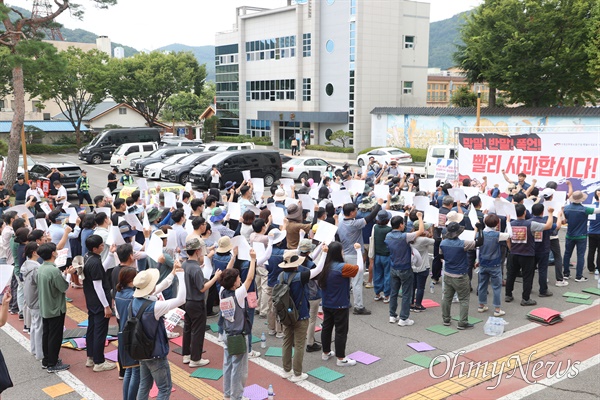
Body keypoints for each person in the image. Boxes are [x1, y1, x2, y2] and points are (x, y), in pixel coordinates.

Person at [131, 261, 186, 399]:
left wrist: (173, 272)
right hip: (155, 353)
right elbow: (181, 299)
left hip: (142, 350)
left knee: (144, 385)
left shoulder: (134, 301)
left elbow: (161, 286)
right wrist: (181, 276)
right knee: (164, 388)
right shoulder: (154, 307)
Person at [278, 248, 325, 382]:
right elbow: (318, 269)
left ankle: (286, 370)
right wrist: (325, 252)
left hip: (286, 315)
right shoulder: (299, 277)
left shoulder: (280, 276)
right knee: (299, 344)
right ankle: (297, 373)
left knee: (287, 341)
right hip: (300, 314)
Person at [218, 247, 256, 400]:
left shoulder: (222, 291)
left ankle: (227, 394)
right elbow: (250, 278)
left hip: (227, 333)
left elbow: (224, 275)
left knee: (227, 365)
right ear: (234, 283)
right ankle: (236, 396)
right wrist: (253, 259)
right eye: (238, 278)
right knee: (238, 369)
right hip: (239, 337)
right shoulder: (239, 294)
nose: (240, 279)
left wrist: (233, 257)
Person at [318, 242, 363, 366]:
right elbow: (360, 269)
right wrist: (358, 251)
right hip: (340, 304)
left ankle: (326, 352)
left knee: (326, 328)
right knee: (341, 331)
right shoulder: (343, 267)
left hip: (326, 303)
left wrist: (323, 252)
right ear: (338, 253)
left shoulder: (324, 266)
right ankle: (341, 358)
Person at [337, 200, 382, 315]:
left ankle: (345, 302)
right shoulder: (354, 224)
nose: (357, 212)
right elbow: (370, 217)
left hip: (345, 254)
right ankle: (359, 306)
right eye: (355, 210)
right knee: (356, 282)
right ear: (351, 213)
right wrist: (379, 205)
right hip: (354, 256)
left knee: (346, 281)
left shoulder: (341, 222)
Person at [182, 237, 221, 368]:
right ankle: (195, 358)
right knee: (197, 331)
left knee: (187, 328)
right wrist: (215, 277)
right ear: (198, 250)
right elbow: (202, 288)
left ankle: (186, 355)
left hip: (186, 301)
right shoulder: (196, 269)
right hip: (197, 302)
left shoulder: (185, 264)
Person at [505, 204, 555, 306]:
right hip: (527, 254)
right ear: (524, 213)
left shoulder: (510, 224)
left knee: (511, 275)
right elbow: (548, 226)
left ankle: (508, 294)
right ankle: (525, 298)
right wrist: (550, 213)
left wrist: (511, 249)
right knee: (527, 277)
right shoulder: (530, 224)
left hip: (514, 253)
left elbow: (507, 239)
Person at [440, 221, 484, 329]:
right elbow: (480, 242)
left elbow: (441, 256)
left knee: (447, 298)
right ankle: (462, 322)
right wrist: (480, 229)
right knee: (464, 299)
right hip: (460, 275)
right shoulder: (463, 244)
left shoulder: (443, 243)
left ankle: (446, 319)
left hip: (448, 274)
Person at [37, 242, 74, 372]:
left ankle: (47, 360)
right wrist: (68, 274)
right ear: (53, 253)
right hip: (55, 308)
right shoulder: (53, 270)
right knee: (55, 336)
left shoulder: (41, 268)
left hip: (45, 306)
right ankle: (52, 363)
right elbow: (63, 287)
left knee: (46, 334)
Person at [83, 234, 116, 372]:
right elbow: (98, 286)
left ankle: (90, 357)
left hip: (91, 300)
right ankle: (99, 362)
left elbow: (101, 270)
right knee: (100, 332)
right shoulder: (95, 262)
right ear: (95, 248)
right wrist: (106, 306)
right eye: (101, 245)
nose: (104, 247)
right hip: (99, 301)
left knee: (92, 329)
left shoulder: (88, 257)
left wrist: (111, 255)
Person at [385, 213, 424, 326]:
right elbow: (421, 230)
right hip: (405, 268)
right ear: (401, 225)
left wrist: (406, 217)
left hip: (393, 267)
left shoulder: (388, 236)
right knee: (407, 293)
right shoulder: (405, 237)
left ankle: (392, 315)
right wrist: (420, 217)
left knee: (394, 292)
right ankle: (404, 318)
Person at [114, 267, 140, 400]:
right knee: (136, 371)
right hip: (134, 336)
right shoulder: (133, 297)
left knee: (128, 370)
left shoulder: (118, 293)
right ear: (130, 280)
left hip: (123, 333)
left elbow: (118, 315)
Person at [563, 191, 600, 282]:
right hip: (581, 236)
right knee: (580, 255)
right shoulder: (585, 209)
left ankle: (566, 274)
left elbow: (564, 220)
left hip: (569, 235)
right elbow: (598, 210)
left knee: (567, 254)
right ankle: (579, 276)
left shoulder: (566, 209)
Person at [477, 214, 510, 317]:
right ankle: (497, 309)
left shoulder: (480, 234)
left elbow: (478, 248)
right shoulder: (498, 235)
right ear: (497, 223)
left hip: (483, 262)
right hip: (495, 264)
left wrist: (477, 260)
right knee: (496, 287)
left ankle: (481, 306)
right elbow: (510, 235)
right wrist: (508, 222)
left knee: (482, 284)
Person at [21, 242, 42, 360]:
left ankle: (34, 349)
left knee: (34, 326)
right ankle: (40, 353)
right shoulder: (36, 268)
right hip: (37, 300)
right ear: (34, 252)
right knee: (39, 327)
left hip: (30, 299)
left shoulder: (26, 265)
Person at [368, 210, 392, 303]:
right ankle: (386, 295)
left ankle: (377, 294)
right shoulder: (389, 230)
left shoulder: (375, 227)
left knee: (377, 274)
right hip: (387, 256)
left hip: (377, 255)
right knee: (387, 275)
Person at [588, 189, 600, 275]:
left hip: (592, 232)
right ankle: (598, 268)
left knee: (591, 250)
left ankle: (590, 267)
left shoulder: (591, 207)